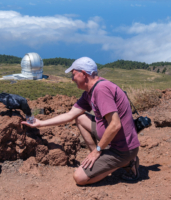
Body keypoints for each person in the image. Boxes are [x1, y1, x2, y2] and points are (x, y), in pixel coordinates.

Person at [21, 57, 140, 185]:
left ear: (83, 74)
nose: (72, 79)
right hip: (112, 141)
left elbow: (115, 124)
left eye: (73, 75)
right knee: (80, 118)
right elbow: (71, 114)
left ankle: (127, 162)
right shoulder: (90, 91)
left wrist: (98, 150)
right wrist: (40, 123)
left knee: (79, 178)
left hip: (123, 149)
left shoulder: (101, 89)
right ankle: (99, 158)